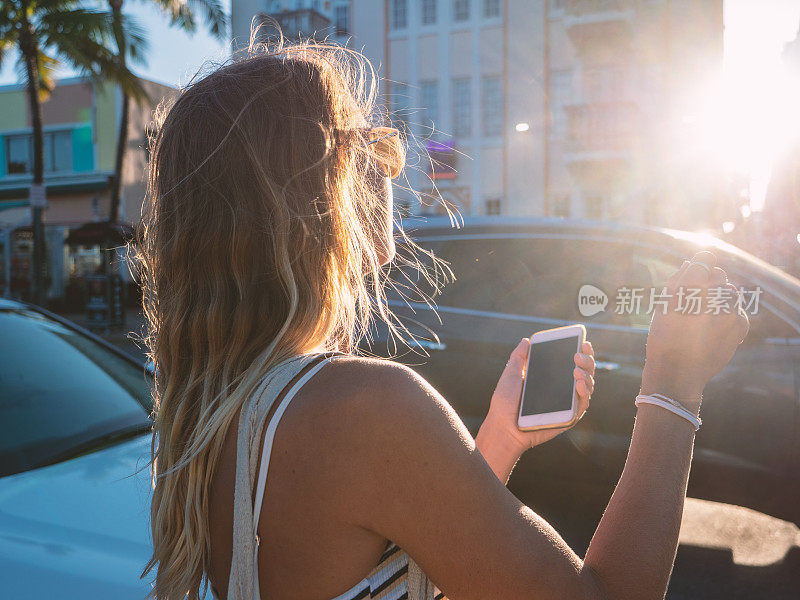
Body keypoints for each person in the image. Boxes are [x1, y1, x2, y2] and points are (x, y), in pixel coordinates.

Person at [138, 39, 749, 600]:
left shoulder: (212, 410)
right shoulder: (364, 408)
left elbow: (387, 548)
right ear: (310, 199)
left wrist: (500, 440)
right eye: (361, 141)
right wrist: (674, 383)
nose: (387, 161)